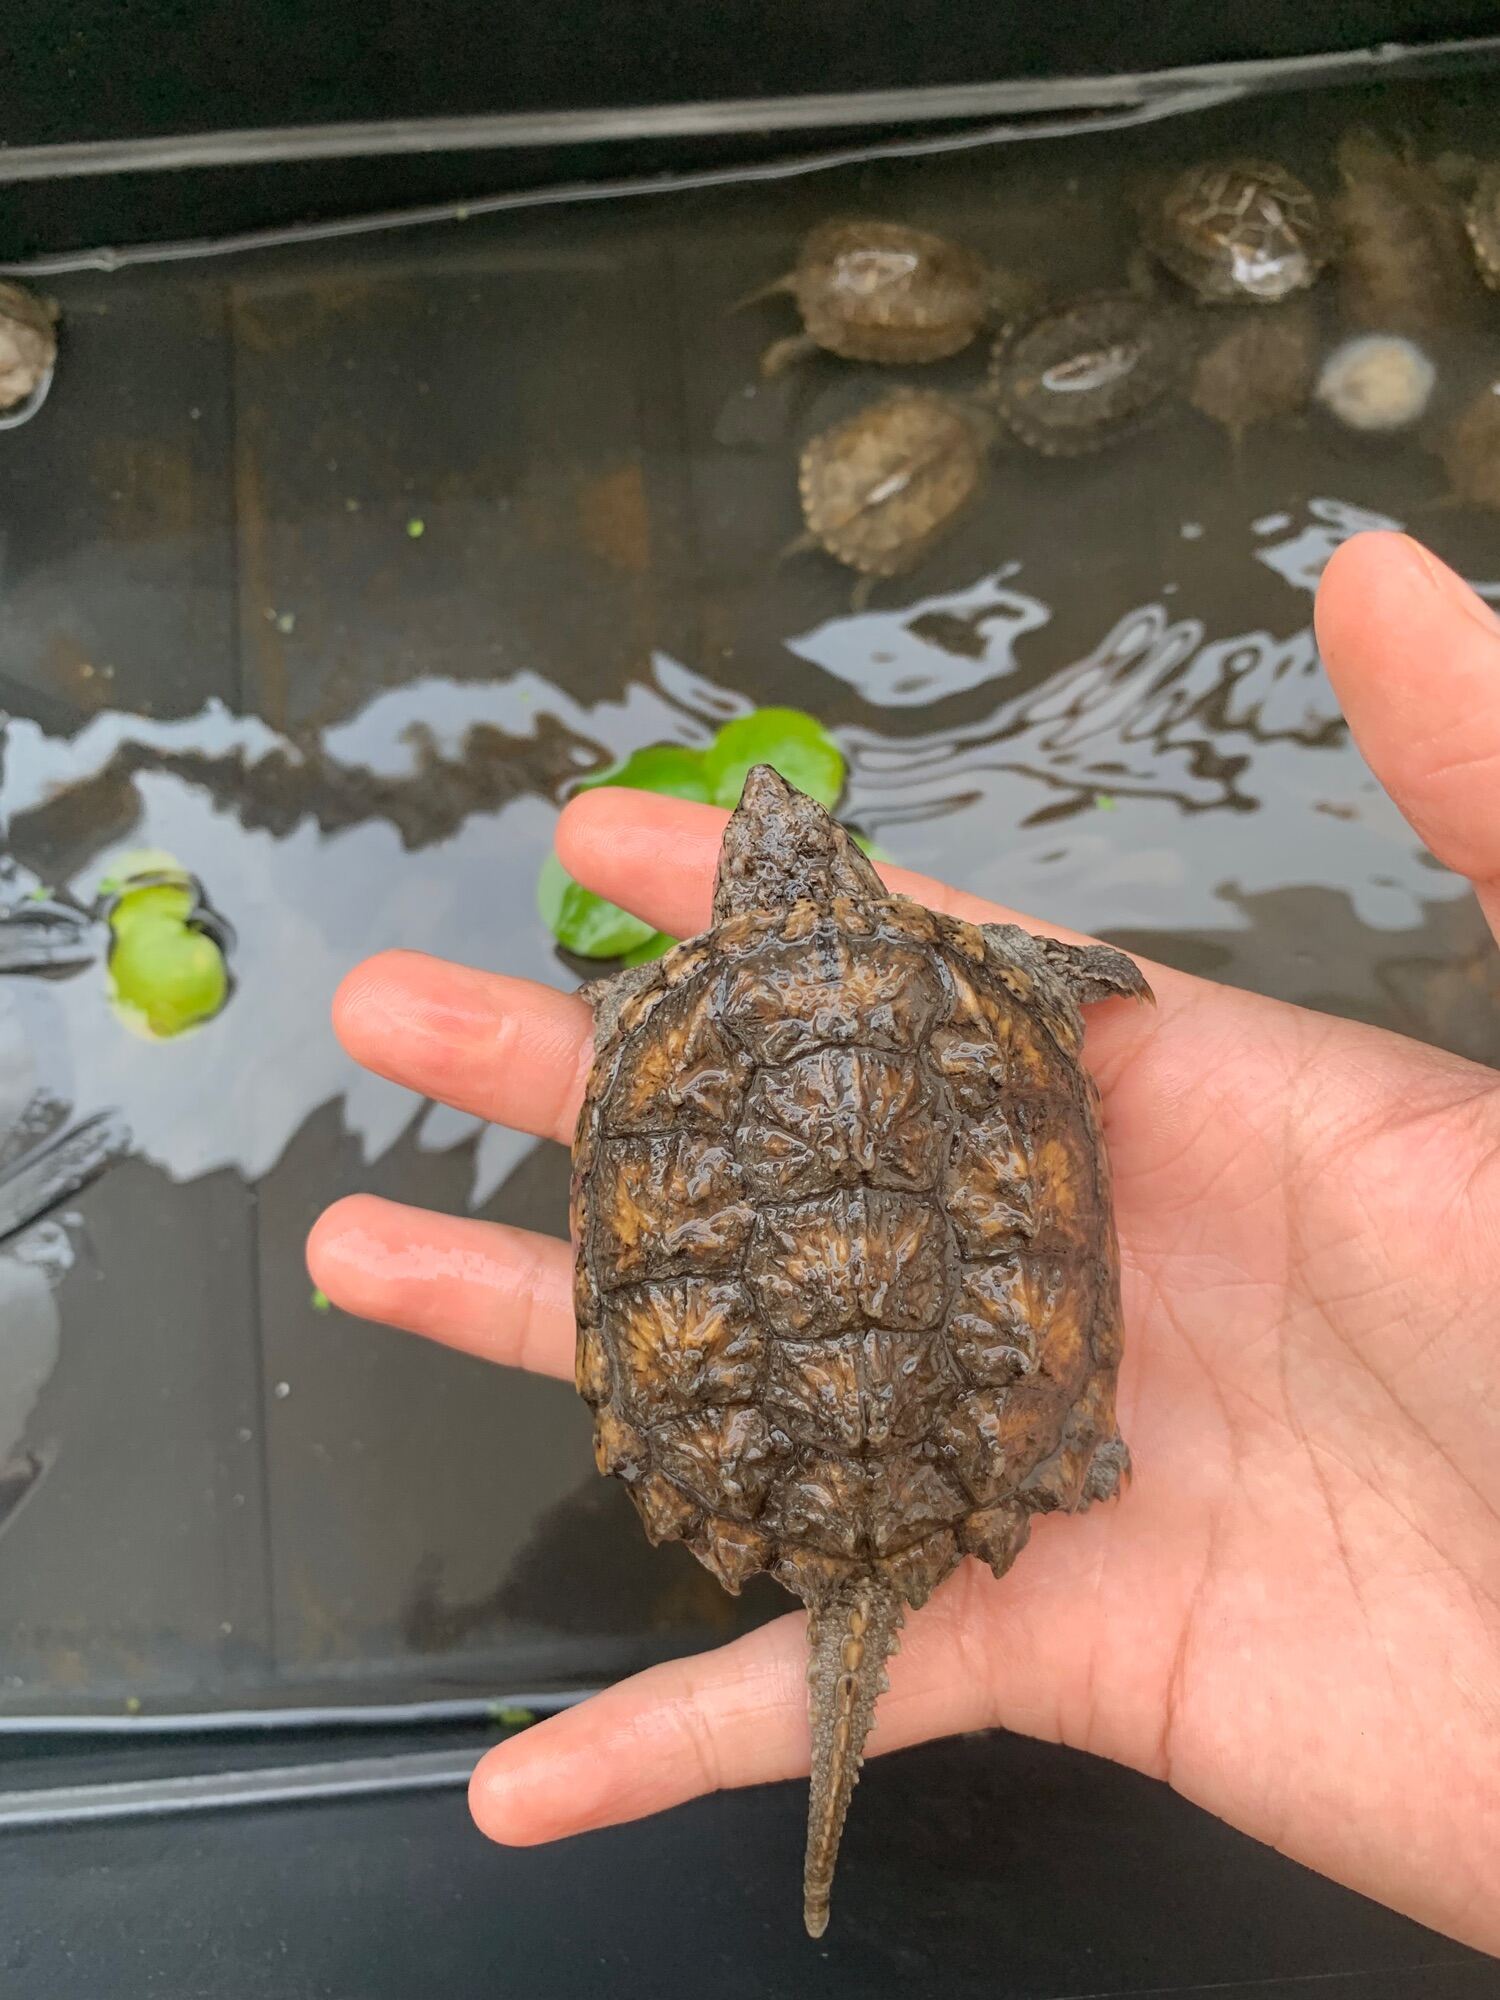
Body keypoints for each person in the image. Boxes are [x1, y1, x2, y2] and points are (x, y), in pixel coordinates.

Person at [307, 531, 1500, 1956]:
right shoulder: (981, 969)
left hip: (750, 1440)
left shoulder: (655, 1009)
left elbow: (629, 1093)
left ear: (740, 892)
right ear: (860, 875)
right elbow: (1075, 987)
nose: (761, 807)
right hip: (1002, 1426)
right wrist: (1079, 977)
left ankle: (829, 1818)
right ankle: (1035, 1493)